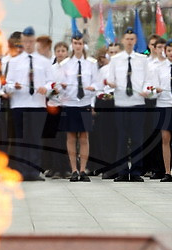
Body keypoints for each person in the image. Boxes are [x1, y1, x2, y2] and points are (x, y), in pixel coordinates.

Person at [5, 26, 55, 181]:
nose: (28, 44)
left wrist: (45, 88)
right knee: (20, 139)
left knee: (35, 139)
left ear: (34, 41)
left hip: (37, 105)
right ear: (22, 42)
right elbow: (7, 84)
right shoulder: (14, 62)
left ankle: (33, 171)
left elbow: (51, 82)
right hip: (19, 104)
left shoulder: (44, 62)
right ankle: (20, 171)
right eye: (25, 41)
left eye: (30, 41)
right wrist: (14, 86)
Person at [108, 27, 148, 182]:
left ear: (135, 41)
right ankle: (123, 172)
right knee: (122, 138)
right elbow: (111, 79)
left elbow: (148, 80)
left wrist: (146, 90)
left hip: (137, 102)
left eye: (132, 39)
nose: (130, 42)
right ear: (123, 40)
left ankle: (136, 172)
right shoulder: (115, 60)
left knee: (137, 138)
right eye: (127, 39)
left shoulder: (142, 60)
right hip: (121, 103)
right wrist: (111, 84)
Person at [59, 31, 98, 182]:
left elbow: (97, 83)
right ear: (72, 45)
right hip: (70, 103)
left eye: (80, 43)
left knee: (84, 137)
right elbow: (59, 86)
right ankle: (73, 170)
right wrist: (61, 87)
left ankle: (83, 170)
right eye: (75, 43)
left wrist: (92, 89)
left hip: (85, 103)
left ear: (84, 45)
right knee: (70, 137)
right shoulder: (65, 64)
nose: (77, 46)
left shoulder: (91, 63)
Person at [41, 41, 69, 179]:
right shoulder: (51, 69)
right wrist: (52, 89)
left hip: (67, 106)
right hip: (53, 106)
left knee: (66, 139)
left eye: (63, 51)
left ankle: (66, 168)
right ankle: (54, 167)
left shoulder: (72, 68)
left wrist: (65, 88)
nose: (60, 53)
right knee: (53, 139)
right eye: (58, 51)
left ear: (67, 53)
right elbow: (45, 87)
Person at [94, 43, 120, 180]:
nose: (113, 54)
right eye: (111, 52)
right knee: (106, 136)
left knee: (119, 136)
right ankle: (108, 167)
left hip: (121, 103)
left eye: (116, 52)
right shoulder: (104, 70)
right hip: (107, 103)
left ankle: (119, 167)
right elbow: (98, 88)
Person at [151, 39, 172, 182]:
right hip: (164, 105)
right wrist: (155, 90)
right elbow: (152, 89)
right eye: (169, 50)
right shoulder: (159, 68)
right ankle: (167, 171)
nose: (171, 53)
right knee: (165, 138)